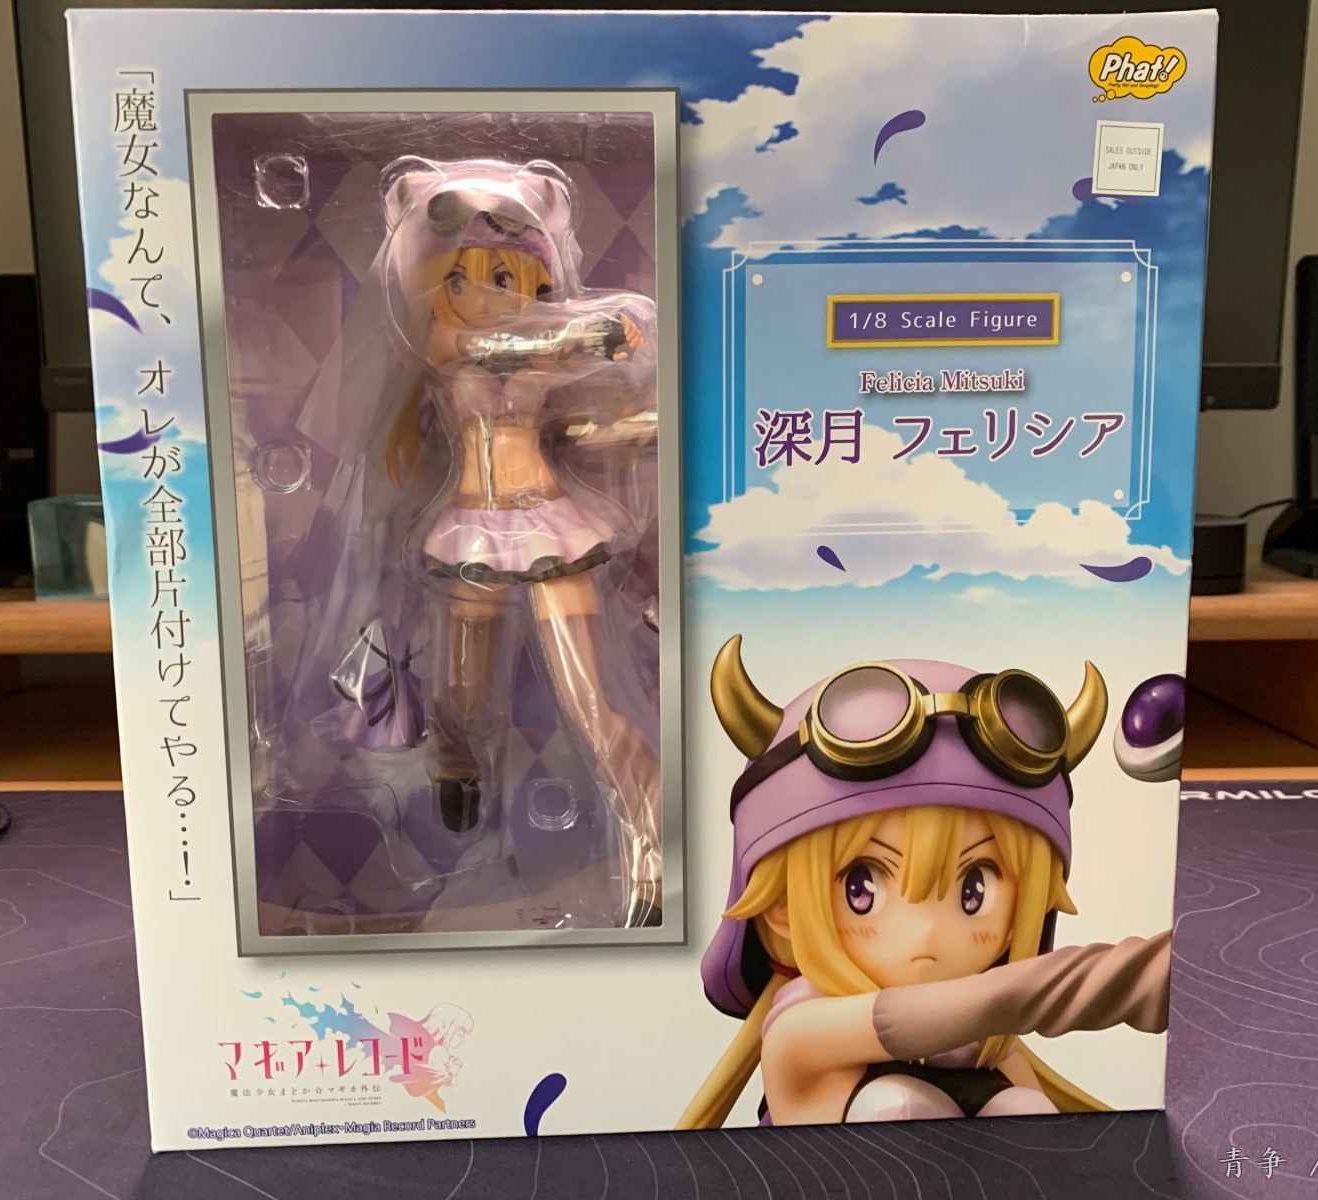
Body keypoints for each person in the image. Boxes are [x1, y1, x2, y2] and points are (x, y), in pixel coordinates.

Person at [679, 636, 1171, 1127]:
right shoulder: (800, 1029)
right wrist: (1034, 994)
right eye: (862, 887)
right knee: (897, 1106)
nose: (928, 932)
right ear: (783, 903)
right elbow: (906, 1021)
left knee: (1022, 1110)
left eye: (975, 891)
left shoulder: (989, 1045)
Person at [377, 158, 661, 922]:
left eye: (512, 278)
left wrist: (611, 350)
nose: (492, 295)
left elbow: (577, 361)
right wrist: (569, 339)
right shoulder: (450, 346)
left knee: (591, 700)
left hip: (549, 526)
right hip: (472, 529)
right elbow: (480, 350)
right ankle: (455, 761)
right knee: (463, 693)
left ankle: (649, 846)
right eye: (464, 278)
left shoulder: (540, 346)